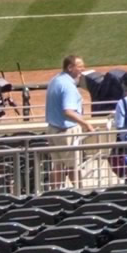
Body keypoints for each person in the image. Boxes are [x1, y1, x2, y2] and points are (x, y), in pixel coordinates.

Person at [44, 55, 89, 188]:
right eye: (80, 66)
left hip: (53, 130)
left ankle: (55, 194)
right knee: (73, 167)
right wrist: (86, 124)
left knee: (57, 165)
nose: (83, 69)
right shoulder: (68, 85)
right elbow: (68, 111)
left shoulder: (55, 80)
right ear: (70, 67)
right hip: (66, 132)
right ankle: (81, 193)